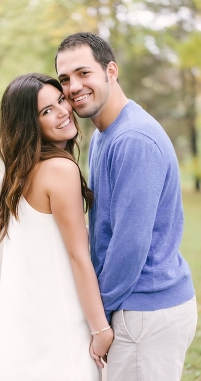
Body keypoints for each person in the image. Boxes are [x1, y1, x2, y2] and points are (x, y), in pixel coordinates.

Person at [55, 32, 196, 380]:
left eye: (84, 73)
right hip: (135, 307)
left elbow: (129, 244)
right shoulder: (105, 133)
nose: (73, 86)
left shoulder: (133, 140)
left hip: (143, 311)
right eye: (65, 79)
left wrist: (98, 319)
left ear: (111, 71)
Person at [0, 73, 112, 380]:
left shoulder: (21, 172)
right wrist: (100, 330)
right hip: (63, 331)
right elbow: (77, 256)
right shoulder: (60, 168)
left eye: (60, 100)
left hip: (27, 333)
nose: (62, 111)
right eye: (46, 111)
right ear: (29, 124)